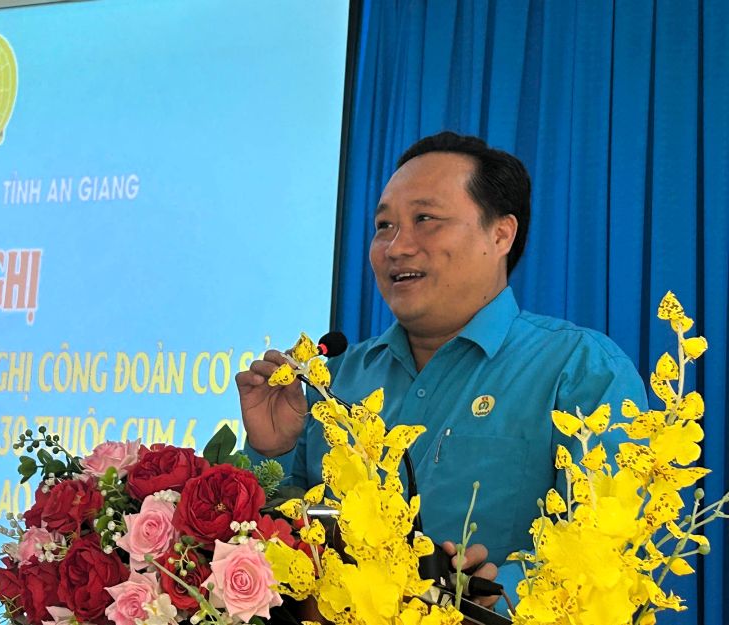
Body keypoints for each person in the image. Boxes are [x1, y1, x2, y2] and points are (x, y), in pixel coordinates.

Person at [237, 131, 648, 612]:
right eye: (384, 226)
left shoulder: (578, 369)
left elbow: (610, 549)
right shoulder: (334, 381)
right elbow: (270, 551)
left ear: (501, 234)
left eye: (425, 220)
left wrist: (492, 598)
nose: (396, 247)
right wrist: (274, 450)